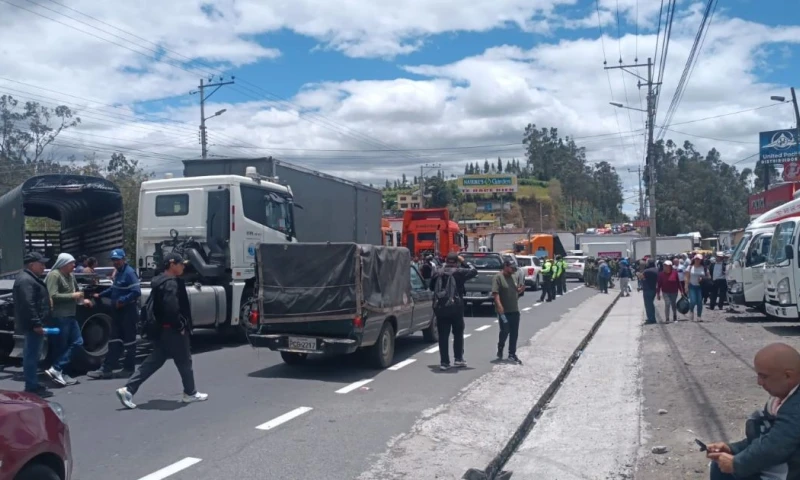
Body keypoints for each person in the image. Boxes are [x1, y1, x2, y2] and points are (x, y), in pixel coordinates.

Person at [116, 253, 208, 409]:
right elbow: (171, 308)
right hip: (173, 330)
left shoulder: (159, 281)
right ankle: (190, 393)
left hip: (162, 330)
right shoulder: (170, 283)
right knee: (184, 361)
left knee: (155, 361)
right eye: (181, 264)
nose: (183, 267)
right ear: (172, 265)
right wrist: (179, 326)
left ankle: (128, 389)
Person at [706, 343, 800, 480]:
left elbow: (775, 446)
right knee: (720, 467)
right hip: (785, 465)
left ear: (788, 376)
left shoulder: (796, 406)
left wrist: (737, 464)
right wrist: (732, 449)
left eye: (764, 376)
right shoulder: (785, 398)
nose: (759, 382)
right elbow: (767, 437)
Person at [89, 249, 141, 379]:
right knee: (114, 341)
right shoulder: (118, 273)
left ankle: (128, 369)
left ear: (124, 259)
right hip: (117, 313)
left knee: (129, 342)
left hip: (128, 312)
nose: (115, 262)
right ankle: (106, 369)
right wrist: (100, 295)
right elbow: (114, 289)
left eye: (118, 259)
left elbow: (136, 291)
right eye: (113, 260)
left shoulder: (129, 273)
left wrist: (122, 301)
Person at [44, 253, 91, 387]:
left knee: (77, 342)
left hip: (70, 315)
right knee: (61, 346)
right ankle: (60, 372)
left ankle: (57, 369)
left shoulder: (71, 276)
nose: (74, 266)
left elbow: (77, 291)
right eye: (72, 263)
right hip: (59, 316)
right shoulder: (55, 275)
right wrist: (72, 295)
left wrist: (83, 300)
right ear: (64, 264)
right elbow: (52, 295)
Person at [428, 252, 477, 371]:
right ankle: (458, 358)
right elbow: (474, 271)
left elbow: (430, 287)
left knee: (443, 336)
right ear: (456, 262)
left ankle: (444, 362)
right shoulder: (459, 272)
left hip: (441, 309)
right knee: (458, 334)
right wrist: (464, 261)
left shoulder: (438, 272)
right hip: (456, 308)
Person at [13, 252, 52, 398]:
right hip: (32, 325)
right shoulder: (25, 280)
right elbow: (27, 304)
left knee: (33, 355)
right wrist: (36, 323)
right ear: (31, 264)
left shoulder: (29, 278)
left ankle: (33, 383)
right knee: (31, 355)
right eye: (41, 264)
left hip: (34, 324)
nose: (44, 266)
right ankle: (31, 386)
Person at [493, 259, 525, 364]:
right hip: (503, 311)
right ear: (505, 266)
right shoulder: (498, 277)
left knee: (514, 333)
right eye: (512, 267)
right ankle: (500, 346)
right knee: (505, 330)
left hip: (514, 309)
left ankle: (512, 354)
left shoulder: (514, 276)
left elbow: (516, 290)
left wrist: (520, 290)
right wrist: (499, 306)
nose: (513, 269)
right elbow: (495, 294)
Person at [685, 254, 707, 322]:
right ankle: (691, 311)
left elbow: (709, 277)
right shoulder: (690, 267)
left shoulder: (704, 267)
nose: (697, 260)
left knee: (700, 302)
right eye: (696, 259)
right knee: (693, 301)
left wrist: (702, 278)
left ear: (701, 260)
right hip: (692, 286)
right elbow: (686, 277)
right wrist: (686, 286)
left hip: (700, 287)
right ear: (694, 259)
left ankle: (699, 316)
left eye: (699, 259)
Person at [641, 259, 659, 324]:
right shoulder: (657, 270)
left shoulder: (646, 271)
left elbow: (641, 277)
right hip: (654, 289)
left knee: (648, 305)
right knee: (651, 304)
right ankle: (652, 318)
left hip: (647, 289)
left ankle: (651, 319)